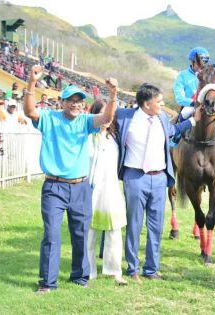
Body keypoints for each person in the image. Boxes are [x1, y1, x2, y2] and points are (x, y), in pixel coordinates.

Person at [24, 64, 118, 293]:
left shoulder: (85, 121)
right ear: (62, 102)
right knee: (52, 234)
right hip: (54, 186)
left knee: (80, 233)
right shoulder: (49, 118)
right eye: (71, 100)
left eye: (79, 100)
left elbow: (106, 117)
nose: (76, 104)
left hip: (80, 187)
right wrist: (32, 82)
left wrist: (113, 94)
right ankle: (47, 283)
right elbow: (29, 112)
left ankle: (80, 277)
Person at [115, 83, 201, 283]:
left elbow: (173, 130)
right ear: (146, 104)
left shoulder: (162, 118)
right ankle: (132, 268)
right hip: (135, 177)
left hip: (160, 178)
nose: (163, 105)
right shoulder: (125, 117)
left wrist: (193, 121)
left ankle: (151, 269)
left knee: (156, 225)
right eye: (159, 102)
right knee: (134, 223)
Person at [87, 100, 127, 286]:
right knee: (89, 231)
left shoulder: (114, 140)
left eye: (110, 114)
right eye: (103, 113)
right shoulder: (88, 137)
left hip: (111, 190)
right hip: (91, 189)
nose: (107, 118)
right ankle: (89, 270)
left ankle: (114, 270)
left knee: (114, 230)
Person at [171, 39, 215, 146]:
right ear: (193, 62)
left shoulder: (209, 74)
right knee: (184, 113)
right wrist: (194, 103)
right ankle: (177, 136)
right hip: (191, 106)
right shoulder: (182, 75)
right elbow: (179, 97)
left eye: (205, 62)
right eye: (200, 62)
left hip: (208, 104)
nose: (203, 65)